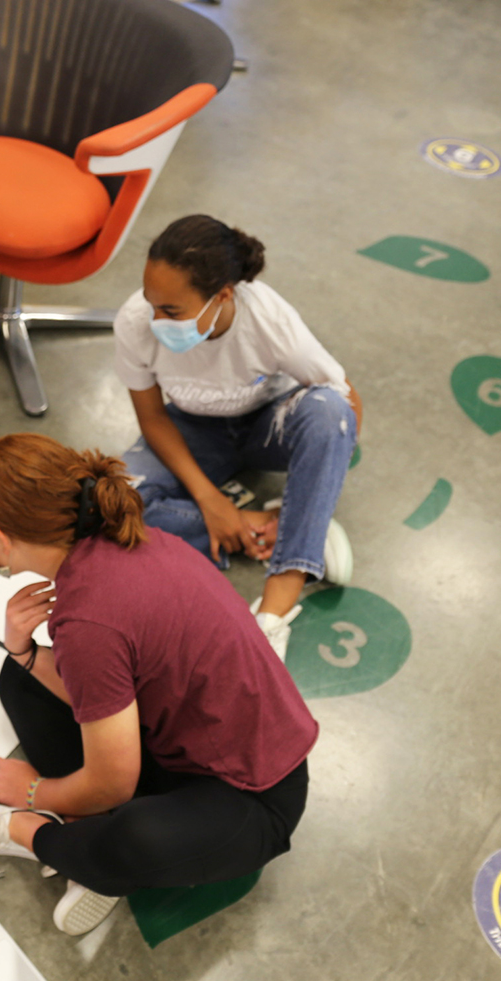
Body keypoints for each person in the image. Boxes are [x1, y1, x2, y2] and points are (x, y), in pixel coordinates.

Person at [0, 434, 317, 934]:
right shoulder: (131, 541)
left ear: (3, 538)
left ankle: (33, 836)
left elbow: (112, 781)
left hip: (253, 797)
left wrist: (34, 793)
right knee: (21, 674)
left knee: (134, 839)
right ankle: (84, 833)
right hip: (189, 744)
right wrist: (24, 650)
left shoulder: (89, 620)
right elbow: (110, 682)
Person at [116, 214, 363, 660]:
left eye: (171, 311)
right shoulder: (134, 322)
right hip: (190, 429)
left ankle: (273, 612)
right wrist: (212, 502)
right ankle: (287, 528)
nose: (155, 320)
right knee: (113, 505)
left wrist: (312, 482)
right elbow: (152, 418)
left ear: (222, 296)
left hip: (266, 425)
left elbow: (346, 404)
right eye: (151, 303)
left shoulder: (269, 319)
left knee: (329, 412)